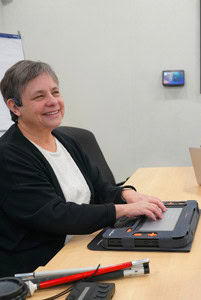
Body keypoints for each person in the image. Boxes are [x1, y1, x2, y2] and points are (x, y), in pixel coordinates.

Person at [0, 60, 167, 277]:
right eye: (39, 96)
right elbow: (57, 215)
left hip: (82, 244)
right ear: (15, 107)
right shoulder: (9, 155)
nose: (53, 102)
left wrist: (128, 195)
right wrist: (123, 210)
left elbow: (100, 189)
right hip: (42, 266)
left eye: (55, 92)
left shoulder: (66, 140)